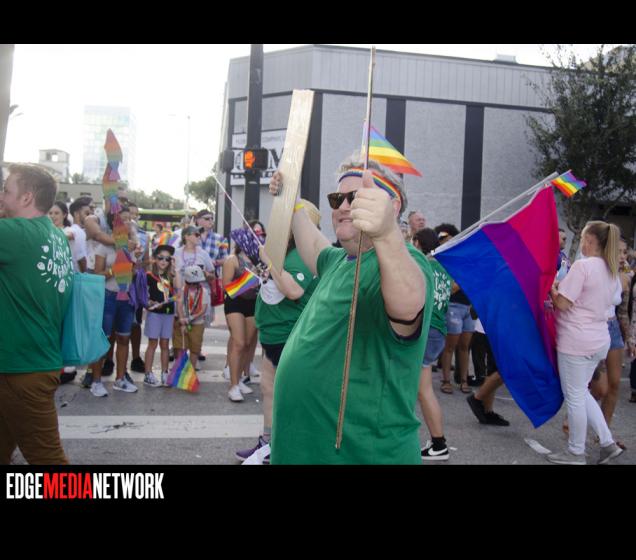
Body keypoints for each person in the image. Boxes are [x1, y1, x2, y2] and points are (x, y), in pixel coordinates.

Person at [268, 154, 434, 464]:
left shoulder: (406, 262)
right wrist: (291, 198)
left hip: (361, 455)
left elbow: (408, 307)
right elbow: (313, 243)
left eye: (355, 197)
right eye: (337, 199)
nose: (343, 206)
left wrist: (386, 233)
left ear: (392, 206)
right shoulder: (338, 261)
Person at [235, 200, 321, 463]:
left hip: (290, 336)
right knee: (268, 389)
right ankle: (268, 443)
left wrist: (269, 261)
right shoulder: (287, 251)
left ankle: (291, 446)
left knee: (291, 396)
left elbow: (293, 290)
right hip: (273, 334)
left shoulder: (303, 254)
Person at [0, 163, 73, 464]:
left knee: (49, 460)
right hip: (32, 362)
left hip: (21, 368)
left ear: (27, 197)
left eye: (6, 191)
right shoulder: (55, 236)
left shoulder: (15, 234)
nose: (1, 197)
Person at [547, 221, 624, 465]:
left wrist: (551, 289)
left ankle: (575, 452)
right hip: (598, 339)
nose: (581, 242)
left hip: (576, 340)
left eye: (582, 238)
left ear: (590, 240)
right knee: (580, 392)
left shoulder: (583, 266)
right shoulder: (611, 269)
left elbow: (563, 303)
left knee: (575, 397)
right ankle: (607, 443)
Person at [88, 206, 143, 397]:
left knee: (124, 338)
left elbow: (134, 272)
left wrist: (135, 267)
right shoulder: (104, 247)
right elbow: (97, 274)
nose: (127, 222)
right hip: (108, 297)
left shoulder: (132, 247)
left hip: (126, 299)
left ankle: (120, 379)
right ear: (114, 223)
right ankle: (96, 381)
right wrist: (114, 270)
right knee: (103, 339)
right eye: (123, 219)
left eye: (129, 219)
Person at [411, 228, 452, 460]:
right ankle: (438, 444)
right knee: (424, 390)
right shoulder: (442, 268)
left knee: (414, 390)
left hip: (425, 330)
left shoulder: (420, 264)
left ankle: (432, 443)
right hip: (438, 332)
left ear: (417, 242)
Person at [589, 237, 631, 441]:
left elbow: (623, 312)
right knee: (600, 388)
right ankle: (574, 415)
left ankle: (604, 436)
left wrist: (629, 339)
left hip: (613, 330)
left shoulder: (625, 278)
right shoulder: (596, 271)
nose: (622, 256)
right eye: (618, 252)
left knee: (614, 385)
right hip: (595, 328)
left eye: (625, 252)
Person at [434, 223, 475, 394]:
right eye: (444, 239)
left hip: (467, 307)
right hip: (453, 306)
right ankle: (446, 380)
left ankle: (464, 380)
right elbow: (450, 289)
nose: (448, 242)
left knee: (465, 347)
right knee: (449, 346)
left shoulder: (462, 260)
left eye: (451, 239)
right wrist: (464, 278)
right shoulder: (443, 262)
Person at [223, 227, 262, 402]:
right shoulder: (232, 260)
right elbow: (226, 287)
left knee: (247, 344)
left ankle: (238, 380)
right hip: (235, 303)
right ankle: (233, 386)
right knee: (238, 343)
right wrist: (250, 279)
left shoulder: (259, 260)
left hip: (253, 304)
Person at [465, 318, 511, 427]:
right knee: (503, 370)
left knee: (494, 370)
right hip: (495, 329)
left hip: (493, 329)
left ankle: (487, 411)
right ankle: (477, 398)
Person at [144, 245, 177, 387]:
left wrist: (174, 269)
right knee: (152, 343)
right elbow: (143, 294)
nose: (164, 261)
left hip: (168, 314)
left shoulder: (171, 276)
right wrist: (150, 302)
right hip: (154, 314)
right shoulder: (149, 276)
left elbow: (178, 287)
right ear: (155, 259)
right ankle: (148, 374)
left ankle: (165, 373)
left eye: (167, 259)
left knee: (165, 344)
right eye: (161, 258)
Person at [173, 265, 209, 371]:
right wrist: (182, 319)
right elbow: (179, 306)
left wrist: (191, 318)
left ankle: (191, 370)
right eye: (190, 283)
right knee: (180, 347)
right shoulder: (182, 291)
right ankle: (180, 369)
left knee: (195, 348)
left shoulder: (204, 292)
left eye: (196, 283)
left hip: (197, 323)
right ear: (186, 281)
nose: (193, 285)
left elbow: (203, 309)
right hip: (181, 322)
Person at [66, 197, 92, 273]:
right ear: (76, 214)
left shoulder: (81, 231)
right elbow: (81, 259)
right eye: (87, 213)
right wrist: (86, 274)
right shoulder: (76, 231)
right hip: (78, 275)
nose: (90, 216)